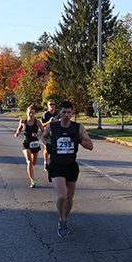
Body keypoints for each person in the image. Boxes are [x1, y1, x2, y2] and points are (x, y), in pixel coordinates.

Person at [40, 100, 94, 237]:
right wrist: (48, 145)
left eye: (69, 112)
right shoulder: (53, 126)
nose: (66, 115)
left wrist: (79, 140)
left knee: (69, 198)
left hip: (71, 165)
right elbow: (43, 137)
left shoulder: (78, 128)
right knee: (62, 195)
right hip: (57, 165)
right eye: (63, 112)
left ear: (72, 113)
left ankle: (64, 217)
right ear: (59, 113)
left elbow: (90, 146)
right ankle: (61, 220)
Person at [14, 104, 45, 188]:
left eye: (33, 113)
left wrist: (38, 134)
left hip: (34, 144)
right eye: (30, 113)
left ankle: (31, 171)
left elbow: (44, 131)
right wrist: (17, 132)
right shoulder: (23, 121)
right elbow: (19, 128)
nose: (31, 114)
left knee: (34, 163)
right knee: (29, 162)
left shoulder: (37, 122)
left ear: (35, 114)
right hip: (26, 143)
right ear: (27, 113)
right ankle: (32, 180)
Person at [41, 100, 59, 171]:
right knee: (47, 148)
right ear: (47, 105)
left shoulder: (57, 113)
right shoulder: (46, 114)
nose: (52, 106)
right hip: (47, 133)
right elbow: (42, 125)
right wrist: (49, 121)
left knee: (56, 148)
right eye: (50, 104)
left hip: (56, 133)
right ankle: (46, 162)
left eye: (53, 104)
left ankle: (55, 163)